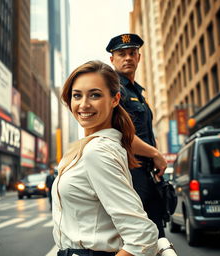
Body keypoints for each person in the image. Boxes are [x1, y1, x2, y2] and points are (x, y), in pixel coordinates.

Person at [52, 60, 158, 256]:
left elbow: (142, 236)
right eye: (77, 95)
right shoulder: (92, 146)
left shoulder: (97, 152)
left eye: (95, 95)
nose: (84, 104)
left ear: (115, 99)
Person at [106, 33, 167, 237]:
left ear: (139, 58)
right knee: (138, 237)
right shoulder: (116, 90)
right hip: (130, 174)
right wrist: (156, 154)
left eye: (132, 53)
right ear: (112, 59)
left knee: (155, 234)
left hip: (146, 174)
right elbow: (122, 135)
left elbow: (145, 131)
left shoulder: (138, 92)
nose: (128, 58)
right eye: (122, 54)